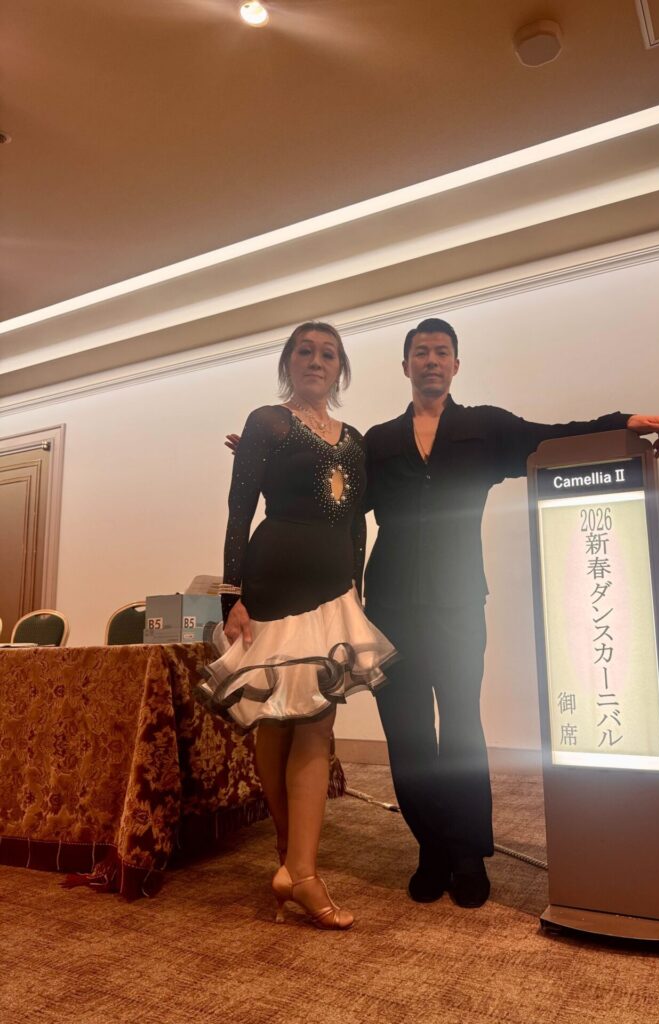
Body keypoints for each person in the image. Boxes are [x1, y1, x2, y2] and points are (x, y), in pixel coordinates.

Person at [362, 317, 659, 909]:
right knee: (406, 734)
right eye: (421, 352)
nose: (431, 360)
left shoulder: (484, 427)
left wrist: (623, 423)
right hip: (387, 607)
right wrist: (276, 468)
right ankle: (430, 849)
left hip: (459, 601)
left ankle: (466, 854)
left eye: (441, 352)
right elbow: (336, 503)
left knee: (461, 727)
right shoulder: (378, 441)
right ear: (405, 366)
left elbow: (552, 437)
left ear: (455, 365)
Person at [201, 321, 395, 930]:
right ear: (288, 362)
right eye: (305, 352)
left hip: (333, 590)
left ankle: (296, 868)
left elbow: (357, 522)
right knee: (277, 719)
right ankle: (295, 864)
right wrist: (232, 597)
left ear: (341, 369)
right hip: (274, 582)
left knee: (314, 721)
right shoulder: (268, 423)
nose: (316, 361)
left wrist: (356, 590)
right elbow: (239, 512)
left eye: (328, 354)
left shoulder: (354, 439)